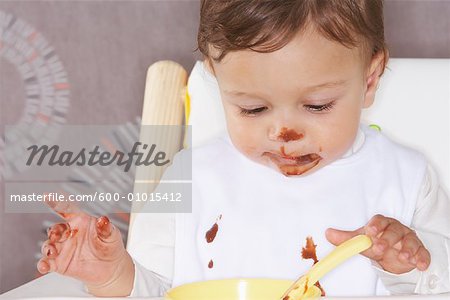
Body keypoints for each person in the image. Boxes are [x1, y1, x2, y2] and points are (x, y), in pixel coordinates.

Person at [37, 0, 450, 297]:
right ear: (217, 81)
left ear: (371, 79)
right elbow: (156, 290)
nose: (284, 133)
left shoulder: (406, 180)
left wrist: (410, 262)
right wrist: (113, 278)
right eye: (253, 108)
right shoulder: (192, 178)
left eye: (317, 105)